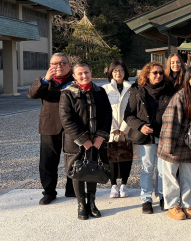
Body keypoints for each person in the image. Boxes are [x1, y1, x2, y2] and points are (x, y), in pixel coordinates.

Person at [59, 62, 112, 220]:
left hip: (96, 141)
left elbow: (107, 114)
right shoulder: (67, 93)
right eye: (80, 73)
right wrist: (83, 139)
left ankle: (92, 203)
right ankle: (81, 204)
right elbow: (66, 119)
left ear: (91, 72)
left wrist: (101, 136)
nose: (84, 76)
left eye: (86, 72)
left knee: (93, 170)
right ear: (74, 76)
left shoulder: (100, 91)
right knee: (78, 172)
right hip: (75, 142)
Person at [124, 62, 174, 214]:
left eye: (160, 73)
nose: (158, 75)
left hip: (164, 136)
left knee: (163, 170)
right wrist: (140, 126)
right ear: (147, 74)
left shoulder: (169, 90)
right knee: (147, 169)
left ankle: (163, 196)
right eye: (154, 73)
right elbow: (128, 115)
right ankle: (146, 199)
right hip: (147, 137)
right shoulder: (137, 91)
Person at [158, 66, 191, 221]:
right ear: (187, 79)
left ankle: (187, 204)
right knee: (170, 176)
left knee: (188, 176)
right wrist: (168, 147)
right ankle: (172, 205)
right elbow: (169, 122)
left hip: (190, 144)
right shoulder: (180, 96)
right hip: (173, 141)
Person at [28, 53, 75, 205]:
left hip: (72, 125)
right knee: (48, 161)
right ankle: (49, 192)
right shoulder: (44, 81)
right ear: (50, 66)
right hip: (49, 124)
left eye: (63, 63)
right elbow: (31, 94)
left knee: (73, 158)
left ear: (69, 65)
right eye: (55, 63)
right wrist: (46, 80)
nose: (59, 66)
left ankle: (72, 189)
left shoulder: (76, 80)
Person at [103, 60, 134, 198]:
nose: (118, 73)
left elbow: (133, 109)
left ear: (125, 72)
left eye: (121, 70)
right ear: (111, 72)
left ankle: (124, 185)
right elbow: (104, 110)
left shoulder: (132, 88)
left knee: (126, 156)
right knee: (111, 157)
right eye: (115, 70)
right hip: (111, 129)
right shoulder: (105, 89)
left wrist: (124, 128)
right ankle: (113, 185)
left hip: (127, 129)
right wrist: (113, 128)